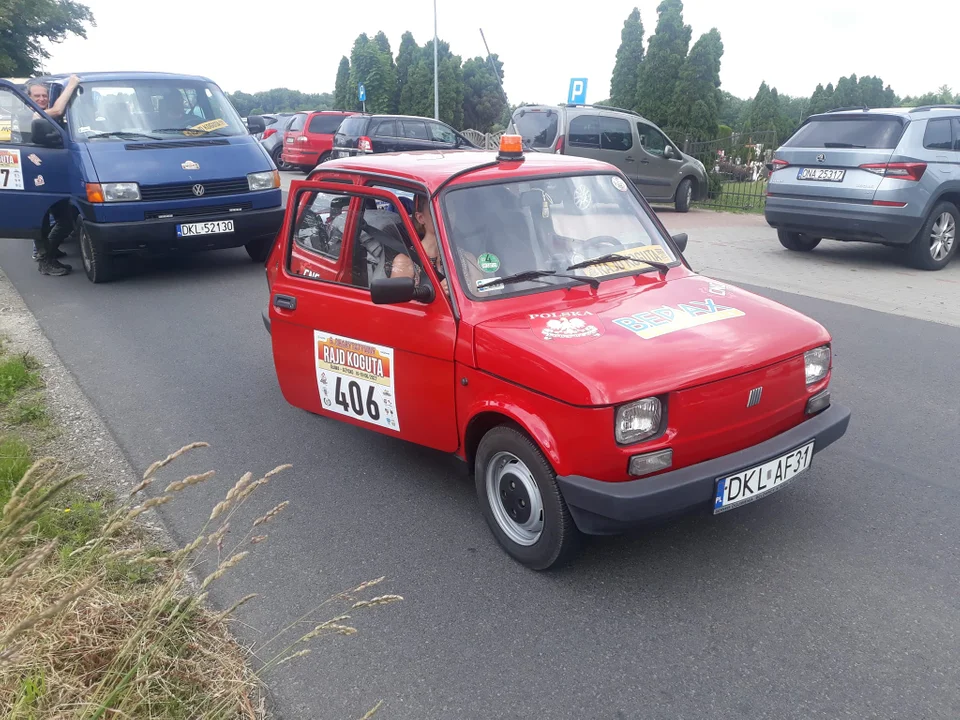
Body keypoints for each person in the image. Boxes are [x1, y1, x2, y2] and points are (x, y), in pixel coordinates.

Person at [26, 75, 80, 275]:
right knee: (44, 222)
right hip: (35, 176)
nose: (41, 99)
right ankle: (44, 260)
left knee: (60, 220)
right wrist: (72, 84)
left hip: (47, 173)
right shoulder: (32, 116)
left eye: (44, 95)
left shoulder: (39, 113)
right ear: (28, 97)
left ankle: (49, 252)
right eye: (36, 96)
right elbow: (57, 110)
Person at [392, 194, 482, 297]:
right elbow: (399, 306)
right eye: (437, 210)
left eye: (450, 210)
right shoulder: (405, 261)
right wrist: (435, 294)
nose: (448, 215)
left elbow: (482, 299)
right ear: (420, 218)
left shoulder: (467, 258)